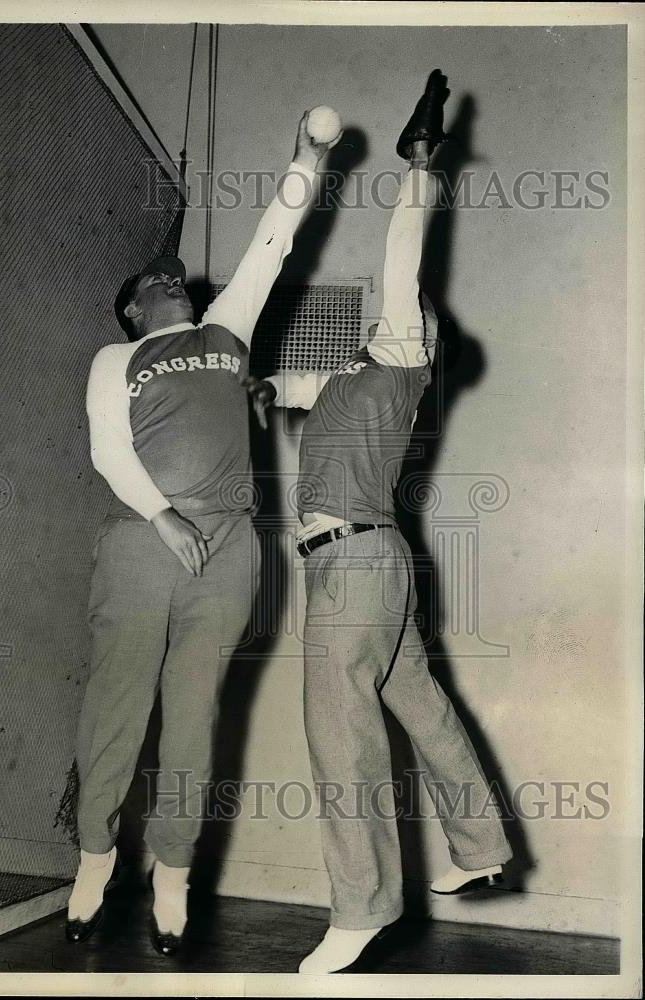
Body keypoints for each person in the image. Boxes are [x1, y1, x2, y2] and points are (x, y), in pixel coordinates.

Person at [247, 70, 513, 975]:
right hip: (374, 567)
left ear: (420, 340)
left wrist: (419, 159)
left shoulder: (399, 360)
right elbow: (282, 389)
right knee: (420, 707)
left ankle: (360, 909)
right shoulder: (348, 381)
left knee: (338, 729)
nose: (397, 309)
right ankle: (482, 851)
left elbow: (405, 249)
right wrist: (249, 383)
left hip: (353, 565)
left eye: (411, 315)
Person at [65, 113, 338, 955]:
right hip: (143, 540)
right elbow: (109, 451)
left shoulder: (228, 331)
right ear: (131, 310)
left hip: (228, 551)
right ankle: (92, 861)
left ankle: (172, 877)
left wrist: (308, 158)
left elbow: (271, 242)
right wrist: (164, 517)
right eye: (154, 283)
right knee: (118, 706)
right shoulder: (117, 362)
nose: (170, 282)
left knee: (194, 716)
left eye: (174, 279)